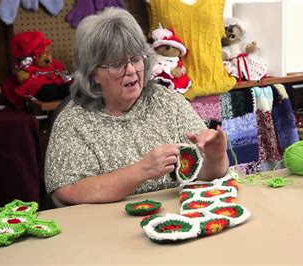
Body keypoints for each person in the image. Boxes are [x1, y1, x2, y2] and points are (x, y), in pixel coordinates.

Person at [44, 7, 229, 207]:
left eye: (135, 59)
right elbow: (67, 191)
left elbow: (204, 173)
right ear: (93, 74)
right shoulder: (74, 122)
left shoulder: (166, 101)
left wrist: (216, 156)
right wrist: (142, 171)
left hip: (172, 222)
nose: (131, 70)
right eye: (117, 64)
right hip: (107, 228)